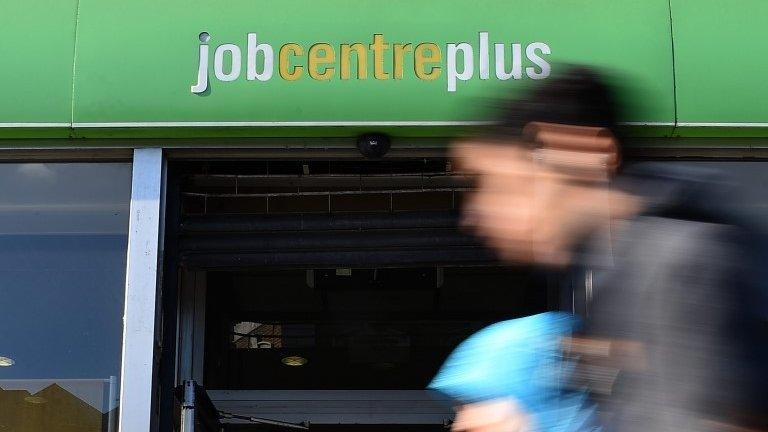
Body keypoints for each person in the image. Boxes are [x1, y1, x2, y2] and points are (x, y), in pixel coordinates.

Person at [430, 66, 768, 431]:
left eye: (498, 184)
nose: (478, 214)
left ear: (583, 151)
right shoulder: (602, 274)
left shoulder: (684, 260)